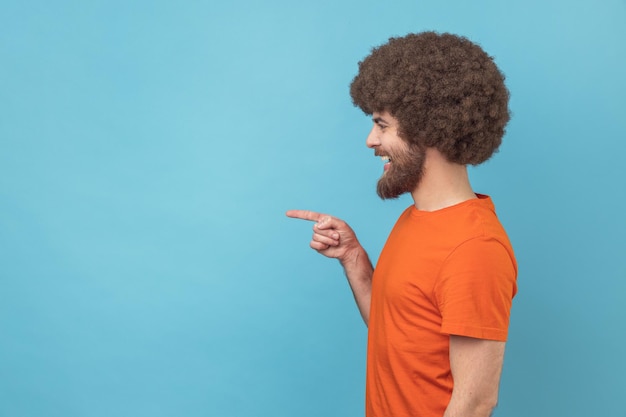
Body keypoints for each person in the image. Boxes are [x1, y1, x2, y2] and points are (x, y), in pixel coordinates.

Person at [286, 32, 517, 417]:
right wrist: (353, 259)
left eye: (382, 125)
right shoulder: (416, 219)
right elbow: (395, 333)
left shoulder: (474, 247)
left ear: (428, 128)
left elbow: (476, 401)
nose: (370, 140)